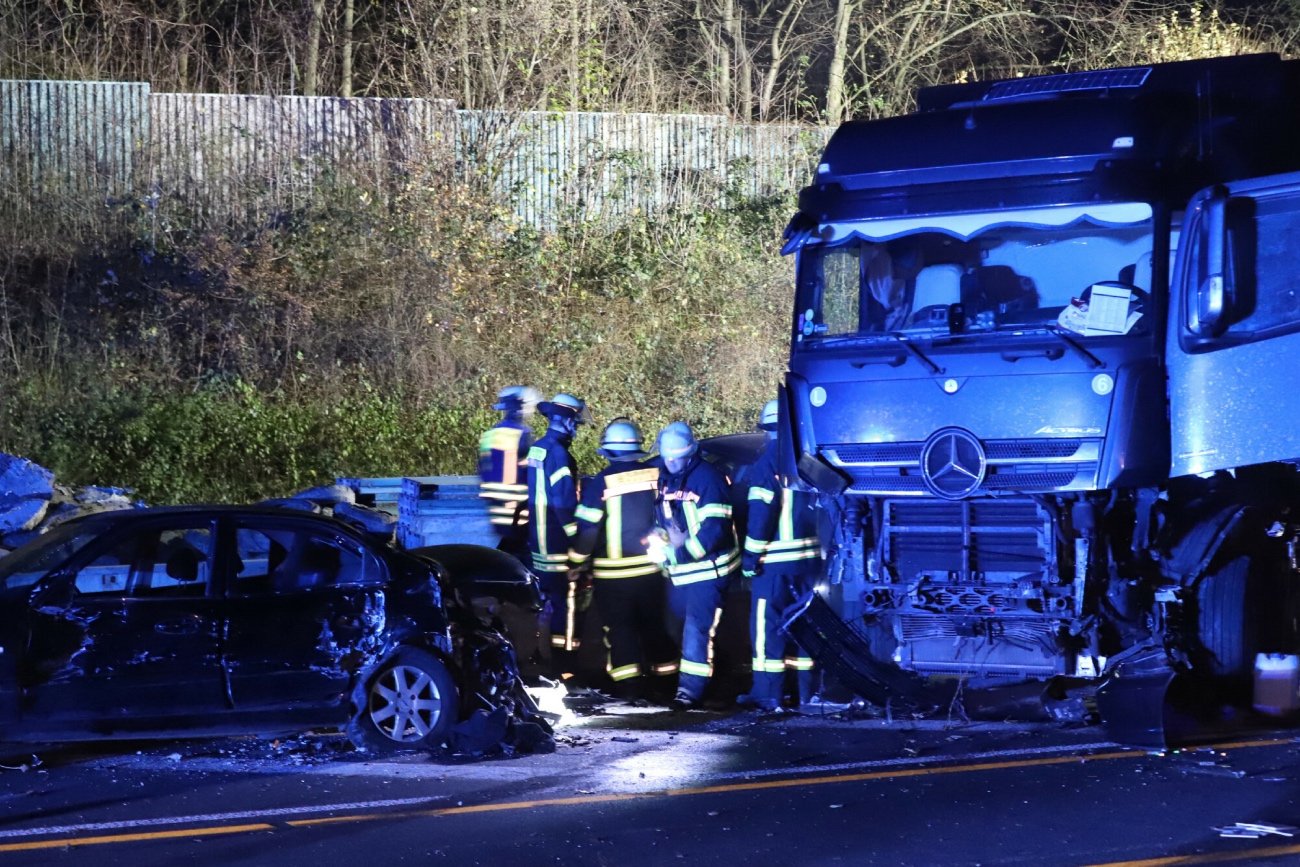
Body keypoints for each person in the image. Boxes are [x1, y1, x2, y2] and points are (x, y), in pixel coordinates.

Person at [572, 418, 678, 703]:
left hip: (613, 575)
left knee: (621, 631)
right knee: (655, 626)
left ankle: (631, 689)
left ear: (609, 452)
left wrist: (576, 561)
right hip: (652, 570)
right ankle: (667, 684)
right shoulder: (655, 476)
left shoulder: (600, 483)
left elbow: (588, 529)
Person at [648, 421, 740, 711]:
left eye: (676, 457)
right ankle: (715, 676)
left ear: (690, 454)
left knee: (696, 630)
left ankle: (690, 692)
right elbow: (665, 520)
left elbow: (714, 532)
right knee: (677, 628)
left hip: (709, 570)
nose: (671, 462)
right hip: (681, 572)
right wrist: (659, 538)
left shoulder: (709, 479)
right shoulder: (665, 478)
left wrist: (678, 552)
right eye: (667, 457)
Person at [738, 398, 822, 711]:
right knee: (804, 628)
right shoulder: (807, 458)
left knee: (767, 631)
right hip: (808, 564)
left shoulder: (766, 465)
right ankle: (806, 694)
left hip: (772, 565)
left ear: (767, 430)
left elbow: (761, 516)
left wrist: (749, 561)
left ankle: (768, 694)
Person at [527, 392, 592, 670]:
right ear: (567, 423)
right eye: (576, 424)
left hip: (538, 543)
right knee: (566, 609)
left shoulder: (538, 448)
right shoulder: (560, 455)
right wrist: (578, 541)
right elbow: (564, 504)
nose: (577, 429)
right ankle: (564, 668)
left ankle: (544, 661)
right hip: (556, 546)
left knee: (546, 606)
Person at [478, 386, 539, 554]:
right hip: (518, 511)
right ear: (521, 407)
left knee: (503, 555)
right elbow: (532, 473)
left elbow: (482, 471)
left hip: (495, 510)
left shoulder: (489, 435)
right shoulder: (523, 435)